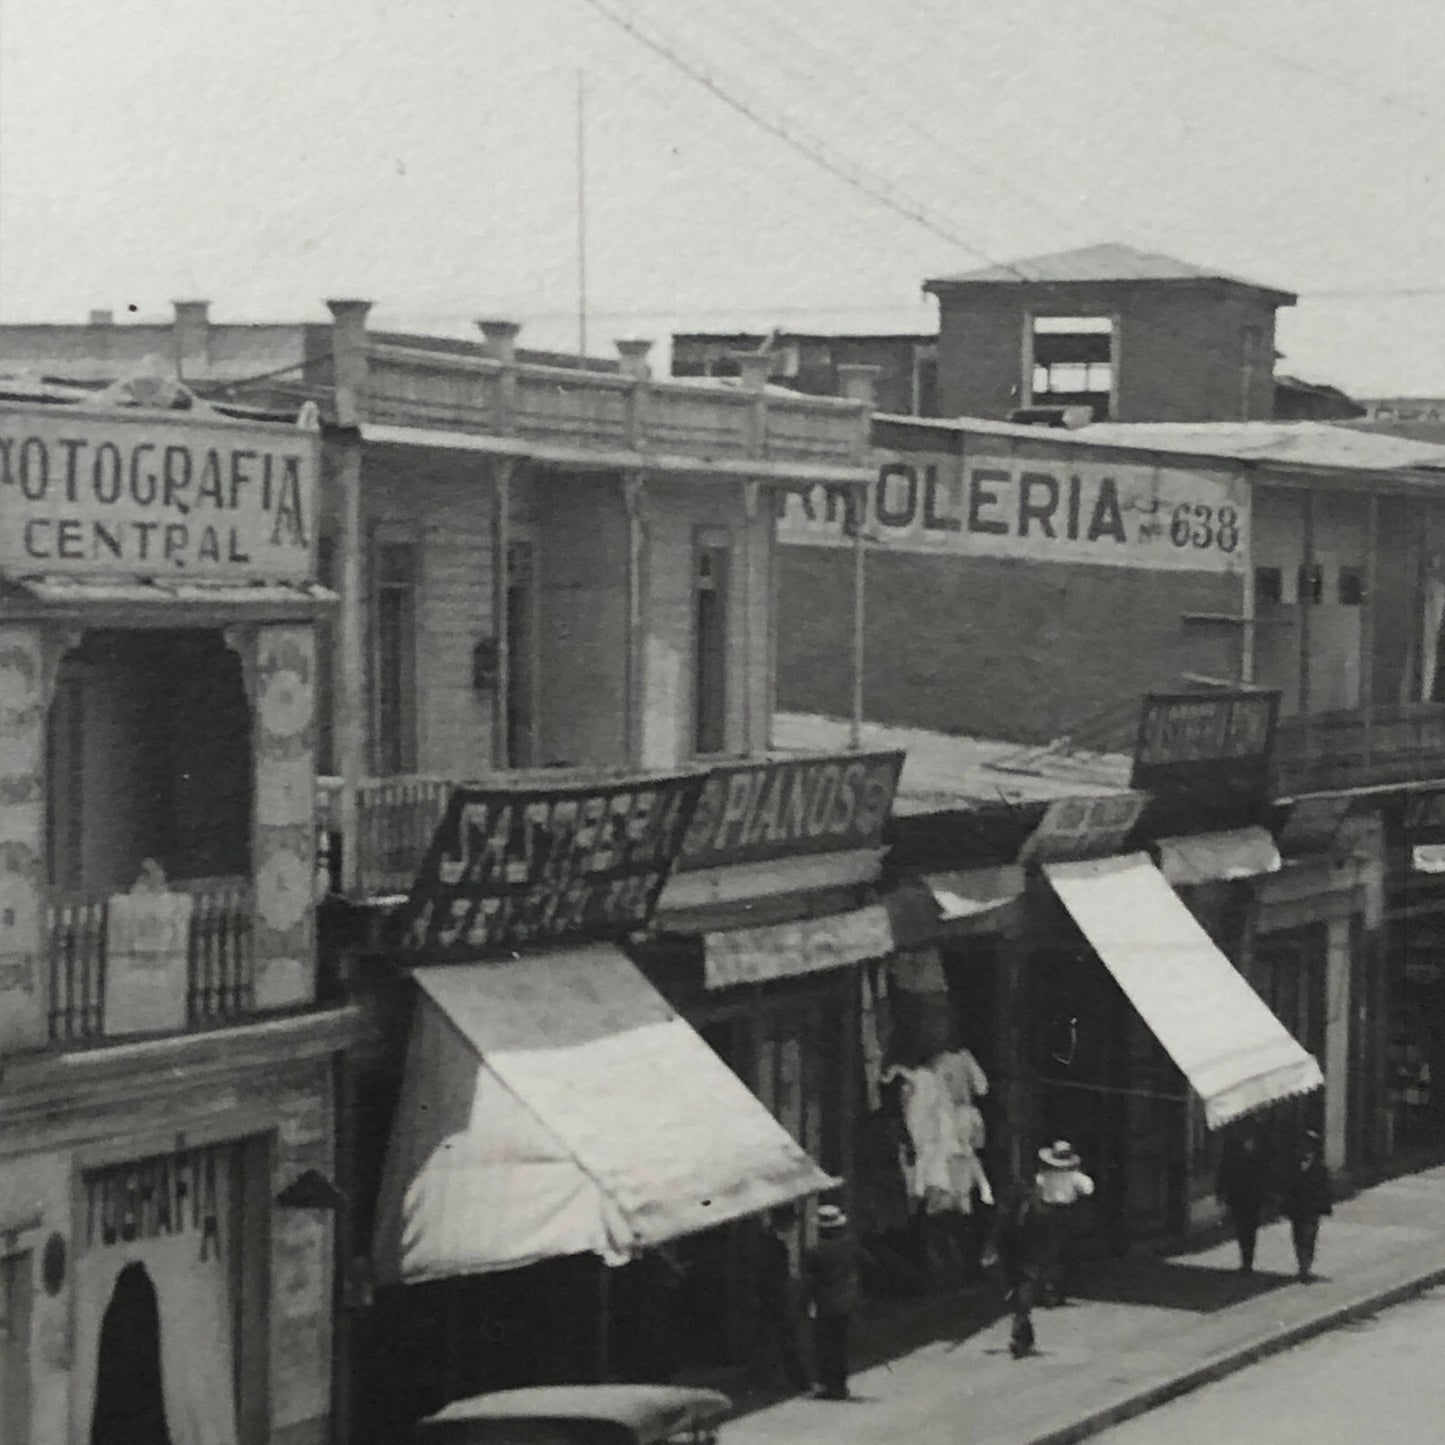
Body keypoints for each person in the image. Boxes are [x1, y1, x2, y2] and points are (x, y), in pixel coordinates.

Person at [804, 1204, 860, 1401]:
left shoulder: (815, 1251)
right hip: (845, 1301)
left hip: (825, 1304)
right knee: (840, 1345)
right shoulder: (849, 1247)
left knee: (825, 1345)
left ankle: (829, 1384)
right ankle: (840, 1384)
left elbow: (809, 1281)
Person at [756, 1206, 813, 1394]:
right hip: (777, 1299)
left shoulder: (768, 1241)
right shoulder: (773, 1244)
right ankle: (797, 1382)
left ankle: (789, 1380)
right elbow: (775, 1276)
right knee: (787, 1341)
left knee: (782, 1341)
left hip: (775, 1297)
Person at [1033, 1140, 1094, 1307]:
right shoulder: (1075, 1177)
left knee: (1046, 1252)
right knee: (1063, 1253)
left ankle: (1045, 1289)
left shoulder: (1042, 1177)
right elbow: (1088, 1189)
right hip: (1066, 1214)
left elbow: (1036, 1195)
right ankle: (1056, 1291)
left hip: (1046, 1213)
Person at [991, 1183, 1046, 1358]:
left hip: (1030, 1265)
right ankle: (1026, 1337)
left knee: (1024, 1300)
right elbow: (997, 1240)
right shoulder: (1007, 1221)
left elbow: (1043, 1242)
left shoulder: (1035, 1219)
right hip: (1011, 1265)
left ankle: (1017, 1336)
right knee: (1017, 1302)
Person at [1279, 1129, 1333, 1282]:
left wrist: (1324, 1206)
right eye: (1303, 1146)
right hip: (1297, 1208)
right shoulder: (1293, 1165)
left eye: (1309, 1147)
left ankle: (1306, 1266)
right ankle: (1301, 1263)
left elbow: (1325, 1189)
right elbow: (1288, 1185)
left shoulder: (1320, 1168)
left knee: (1309, 1236)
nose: (1306, 1150)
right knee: (1297, 1236)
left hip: (1312, 1208)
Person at [1216, 1123, 1270, 1274]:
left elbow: (1267, 1171)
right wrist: (1220, 1191)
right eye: (1243, 1129)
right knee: (1241, 1227)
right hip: (1238, 1194)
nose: (1245, 1132)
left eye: (1248, 1129)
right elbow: (1225, 1169)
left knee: (1251, 1227)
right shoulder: (1233, 1147)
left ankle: (1248, 1260)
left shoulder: (1261, 1148)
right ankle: (1244, 1258)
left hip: (1254, 1195)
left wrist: (1267, 1193)